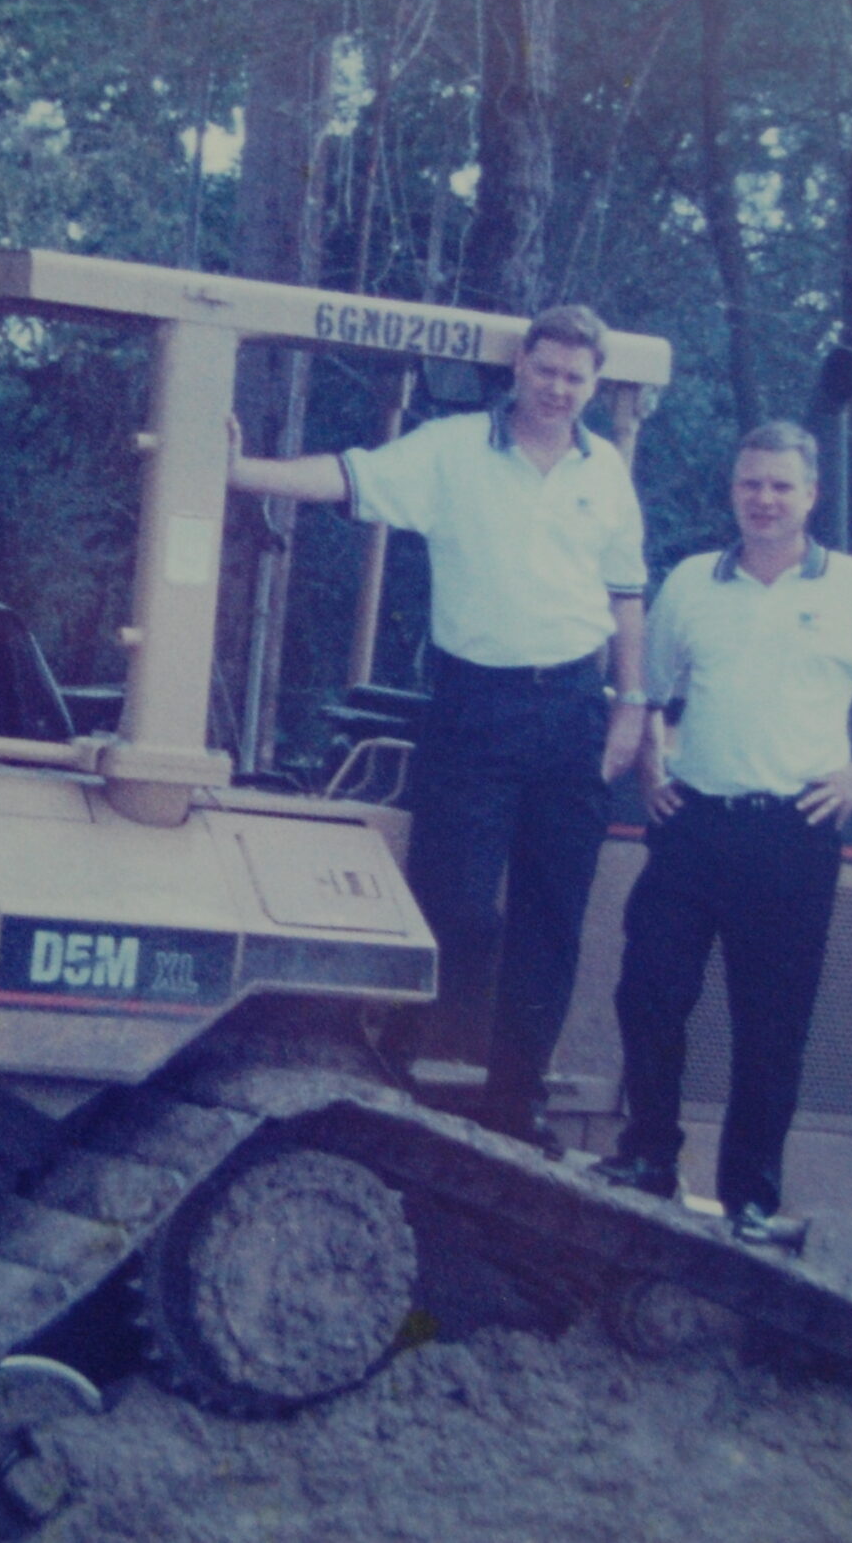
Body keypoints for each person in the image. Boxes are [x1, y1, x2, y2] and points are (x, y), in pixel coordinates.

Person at [230, 306, 648, 1155]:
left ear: (594, 385)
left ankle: (514, 1103)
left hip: (574, 711)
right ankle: (404, 1072)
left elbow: (626, 593)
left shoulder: (605, 470)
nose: (558, 388)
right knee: (452, 900)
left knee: (552, 915)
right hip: (474, 708)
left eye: (576, 377)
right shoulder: (455, 449)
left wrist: (631, 705)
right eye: (546, 370)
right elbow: (350, 476)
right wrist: (242, 472)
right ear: (521, 368)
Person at [592, 420, 852, 1243]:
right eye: (750, 483)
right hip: (694, 827)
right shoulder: (690, 581)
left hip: (794, 835)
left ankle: (750, 1203)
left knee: (771, 1026)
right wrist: (653, 766)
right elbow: (646, 690)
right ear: (734, 490)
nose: (763, 499)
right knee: (647, 993)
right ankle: (649, 1157)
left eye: (780, 486)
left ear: (810, 496)